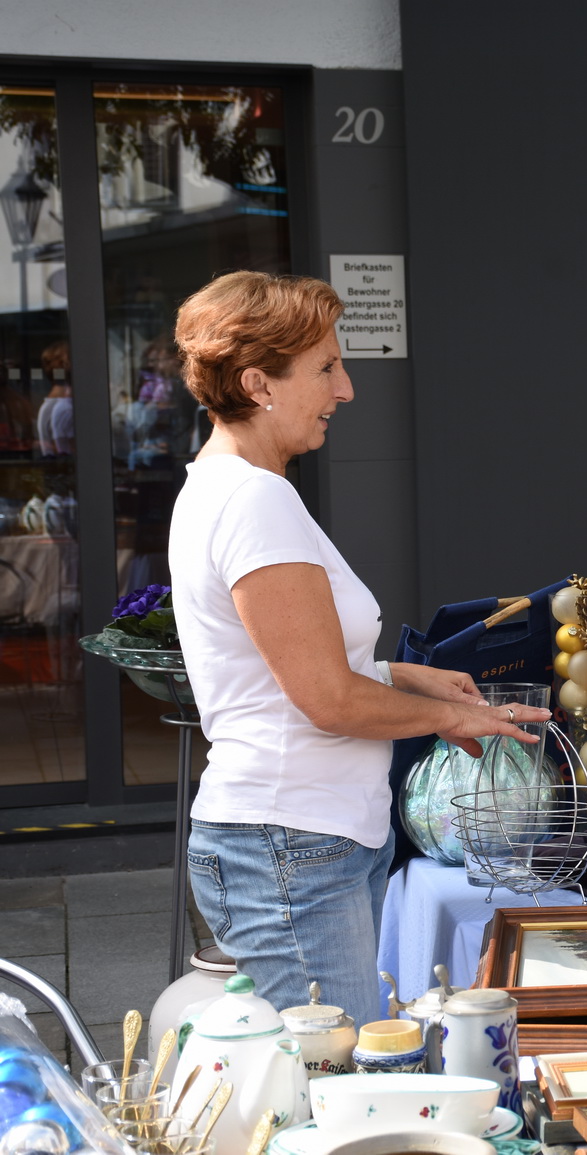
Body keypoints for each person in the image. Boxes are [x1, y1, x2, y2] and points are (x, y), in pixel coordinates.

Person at [168, 271, 550, 1019]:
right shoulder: (255, 498)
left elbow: (280, 671)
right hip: (290, 843)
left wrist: (403, 674)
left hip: (296, 838)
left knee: (343, 1080)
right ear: (258, 383)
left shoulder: (224, 487)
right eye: (325, 369)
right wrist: (449, 717)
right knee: (342, 1096)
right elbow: (325, 699)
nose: (344, 390)